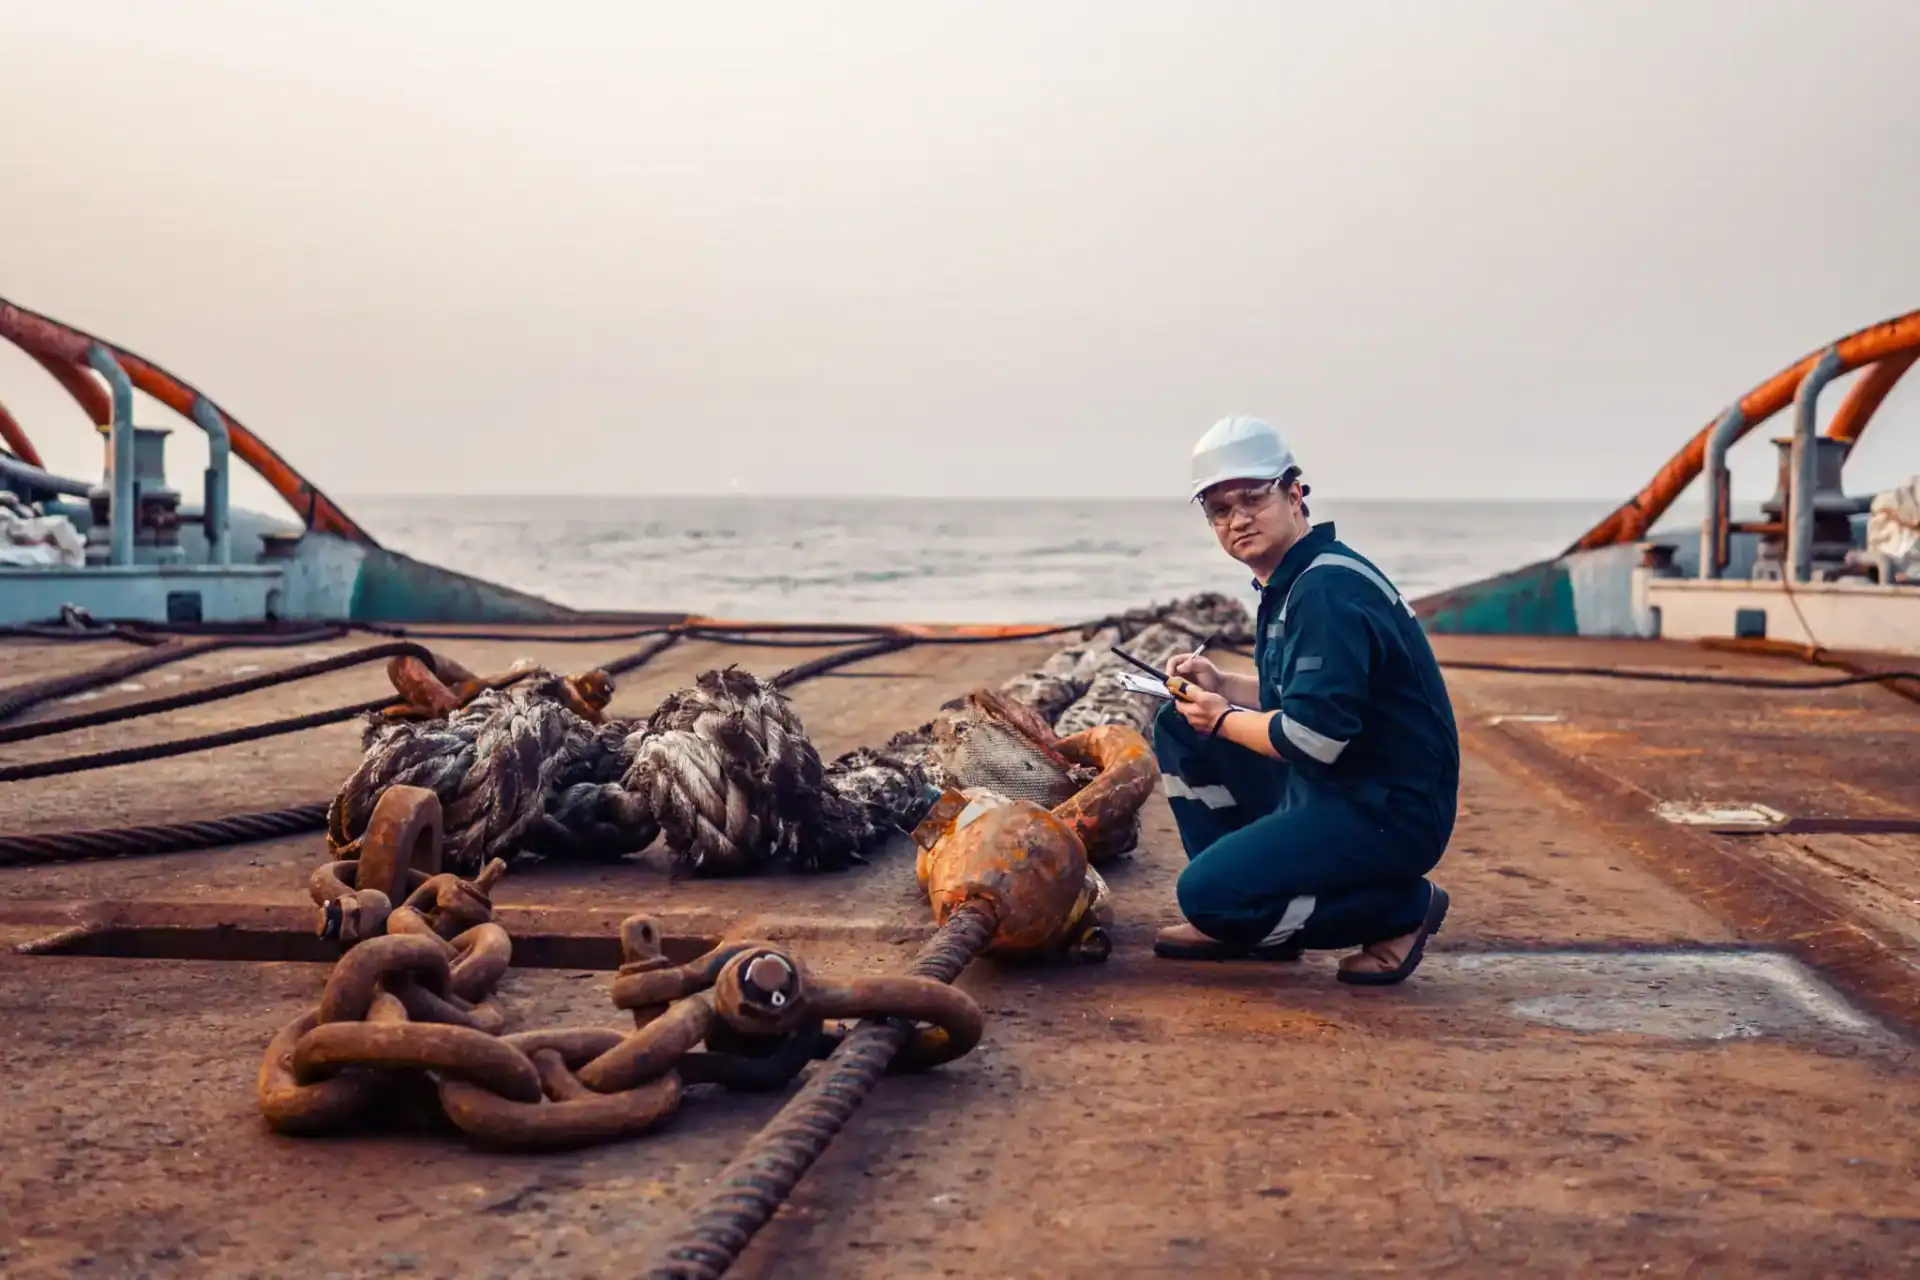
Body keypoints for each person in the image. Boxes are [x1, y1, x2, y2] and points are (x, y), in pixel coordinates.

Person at [1149, 415, 1460, 984]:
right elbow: (1297, 699)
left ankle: (1401, 911)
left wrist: (1221, 721)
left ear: (1295, 494)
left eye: (1252, 498)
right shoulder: (1294, 580)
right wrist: (1220, 685)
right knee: (1177, 724)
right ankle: (1252, 918)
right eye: (1220, 510)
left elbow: (1315, 737)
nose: (1238, 519)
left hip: (1386, 810)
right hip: (1343, 787)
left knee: (1206, 896)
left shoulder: (1326, 591)